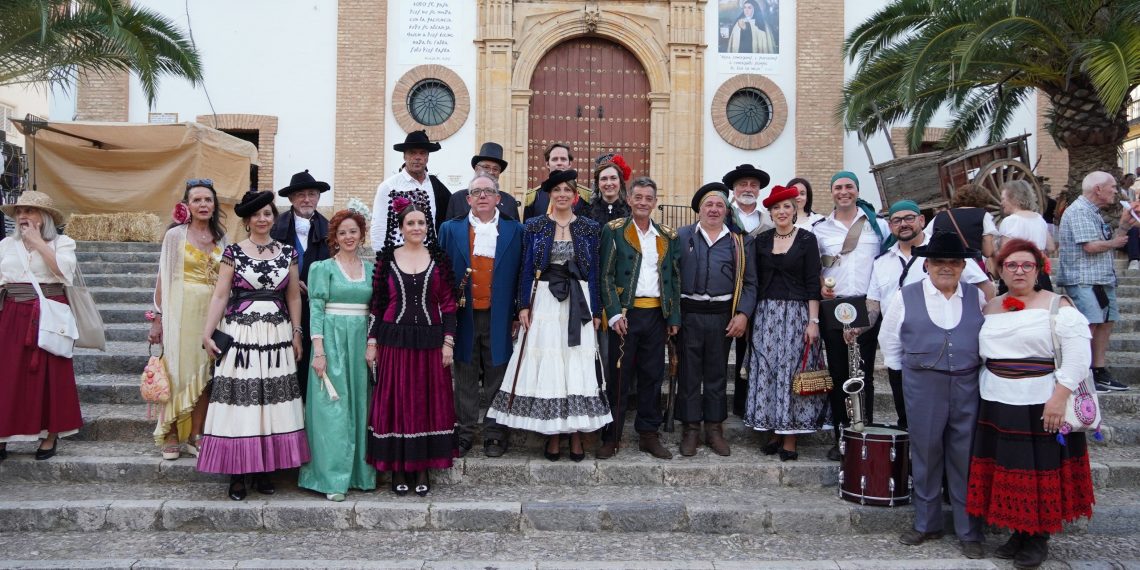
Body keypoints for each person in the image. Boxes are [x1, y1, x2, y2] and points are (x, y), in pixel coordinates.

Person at [967, 239, 1097, 569]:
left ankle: (1037, 537)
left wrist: (1058, 398)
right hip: (997, 401)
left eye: (1027, 265)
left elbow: (1080, 358)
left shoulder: (1058, 306)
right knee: (1009, 469)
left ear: (1039, 270)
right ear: (1000, 270)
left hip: (1041, 402)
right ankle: (1018, 531)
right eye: (1011, 265)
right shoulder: (990, 306)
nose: (1019, 271)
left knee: (1038, 470)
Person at [486, 169, 611, 462]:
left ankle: (577, 435)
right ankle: (553, 435)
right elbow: (526, 268)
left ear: (575, 196)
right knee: (552, 365)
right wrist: (523, 306)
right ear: (550, 195)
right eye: (557, 190)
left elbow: (593, 271)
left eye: (568, 190)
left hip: (578, 300)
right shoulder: (534, 226)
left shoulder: (590, 228)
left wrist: (597, 309)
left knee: (575, 365)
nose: (563, 195)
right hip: (544, 300)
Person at [878, 231, 987, 560]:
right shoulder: (906, 296)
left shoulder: (975, 297)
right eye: (939, 261)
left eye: (954, 262)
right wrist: (909, 375)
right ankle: (927, 522)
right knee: (925, 454)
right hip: (923, 384)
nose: (946, 267)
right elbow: (889, 341)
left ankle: (969, 530)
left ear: (962, 266)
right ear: (926, 265)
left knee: (964, 455)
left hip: (967, 384)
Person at [198, 190, 310, 501]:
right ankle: (238, 472)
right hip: (241, 334)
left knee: (271, 400)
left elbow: (293, 296)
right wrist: (208, 333)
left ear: (274, 218)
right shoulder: (233, 252)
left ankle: (264, 469)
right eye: (257, 214)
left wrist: (297, 332)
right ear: (247, 220)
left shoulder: (288, 253)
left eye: (268, 214)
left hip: (276, 333)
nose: (263, 219)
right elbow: (221, 295)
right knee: (241, 400)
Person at [867, 200, 993, 430]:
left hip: (946, 356)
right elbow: (874, 303)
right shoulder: (881, 261)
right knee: (909, 424)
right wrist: (858, 328)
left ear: (921, 221)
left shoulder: (946, 252)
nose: (903, 224)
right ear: (890, 225)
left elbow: (986, 290)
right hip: (904, 355)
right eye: (897, 220)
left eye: (909, 218)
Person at [367, 198, 458, 496]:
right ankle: (398, 468)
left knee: (426, 404)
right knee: (398, 403)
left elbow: (448, 304)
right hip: (394, 341)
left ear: (427, 226)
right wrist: (372, 341)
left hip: (431, 340)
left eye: (421, 223)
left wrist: (448, 342)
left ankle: (422, 467)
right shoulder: (387, 259)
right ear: (401, 227)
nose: (416, 227)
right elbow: (378, 305)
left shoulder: (439, 258)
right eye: (411, 223)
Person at [439, 173, 525, 458]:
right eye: (476, 192)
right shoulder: (450, 230)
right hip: (463, 315)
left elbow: (522, 274)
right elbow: (441, 274)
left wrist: (518, 310)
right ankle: (464, 432)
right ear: (468, 199)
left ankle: (495, 433)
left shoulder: (515, 231)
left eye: (488, 191)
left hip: (499, 314)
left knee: (496, 372)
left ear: (498, 198)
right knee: (464, 372)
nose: (483, 196)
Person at [596, 176, 681, 460]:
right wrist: (613, 313)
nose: (643, 202)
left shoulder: (667, 235)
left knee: (652, 376)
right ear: (629, 200)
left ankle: (648, 435)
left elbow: (674, 280)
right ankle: (612, 436)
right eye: (638, 197)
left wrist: (673, 317)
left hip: (657, 315)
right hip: (626, 316)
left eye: (649, 198)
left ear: (655, 203)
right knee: (619, 377)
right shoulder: (614, 230)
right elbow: (605, 275)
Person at [298, 206, 376, 502]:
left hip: (359, 342)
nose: (348, 237)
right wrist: (318, 351)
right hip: (331, 341)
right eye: (342, 232)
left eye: (353, 231)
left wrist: (372, 342)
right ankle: (331, 477)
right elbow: (316, 310)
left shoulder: (371, 269)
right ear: (335, 236)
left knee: (359, 406)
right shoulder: (323, 268)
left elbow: (375, 310)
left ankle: (359, 474)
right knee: (333, 410)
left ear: (361, 234)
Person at [148, 179, 228, 460]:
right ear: (187, 205)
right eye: (197, 200)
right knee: (178, 370)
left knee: (205, 374)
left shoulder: (222, 238)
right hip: (182, 311)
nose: (204, 204)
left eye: (208, 199)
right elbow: (163, 278)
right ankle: (170, 431)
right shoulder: (175, 236)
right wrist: (157, 317)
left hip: (213, 312)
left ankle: (196, 433)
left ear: (214, 204)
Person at [745, 184, 826, 460]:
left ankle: (790, 437)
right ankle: (772, 431)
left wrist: (813, 321)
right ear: (771, 212)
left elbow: (812, 282)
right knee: (767, 371)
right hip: (766, 314)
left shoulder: (806, 240)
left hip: (796, 314)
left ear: (795, 210)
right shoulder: (762, 241)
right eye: (776, 208)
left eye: (786, 207)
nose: (781, 212)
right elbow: (753, 281)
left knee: (791, 374)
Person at [675, 182, 756, 457]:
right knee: (688, 374)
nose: (713, 209)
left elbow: (750, 283)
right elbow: (670, 278)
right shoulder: (681, 236)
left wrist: (743, 314)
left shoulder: (740, 242)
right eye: (708, 204)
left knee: (716, 374)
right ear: (699, 209)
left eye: (719, 205)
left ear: (726, 210)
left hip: (722, 317)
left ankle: (714, 429)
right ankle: (690, 430)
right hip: (689, 316)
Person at [815, 170, 889, 461]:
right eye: (838, 187)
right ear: (831, 192)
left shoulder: (876, 226)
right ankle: (841, 437)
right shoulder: (821, 229)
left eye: (849, 187)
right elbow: (817, 269)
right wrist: (822, 286)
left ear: (857, 191)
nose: (843, 192)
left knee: (863, 374)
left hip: (867, 304)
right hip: (834, 306)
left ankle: (863, 433)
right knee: (838, 373)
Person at [0, 192, 80, 461]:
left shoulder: (63, 243)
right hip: (12, 312)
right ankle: (3, 434)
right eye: (20, 210)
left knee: (50, 374)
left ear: (44, 217)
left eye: (31, 211)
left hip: (50, 312)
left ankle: (50, 433)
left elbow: (64, 273)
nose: (23, 215)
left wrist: (38, 244)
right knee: (7, 374)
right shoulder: (5, 245)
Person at [1056, 170, 1135, 393]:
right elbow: (1090, 246)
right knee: (1088, 324)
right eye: (1112, 186)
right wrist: (1116, 242)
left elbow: (1105, 241)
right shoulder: (1080, 211)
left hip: (1099, 278)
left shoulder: (1093, 212)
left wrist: (1123, 226)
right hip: (1083, 279)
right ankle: (1083, 374)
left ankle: (1098, 371)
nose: (1116, 191)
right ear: (1098, 189)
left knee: (1106, 322)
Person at [271, 170, 332, 401]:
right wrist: (290, 282)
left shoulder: (330, 228)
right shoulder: (275, 227)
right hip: (281, 306)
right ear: (291, 199)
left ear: (318, 197)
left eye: (312, 194)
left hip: (317, 308)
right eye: (301, 195)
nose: (307, 199)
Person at [723, 163, 773, 417]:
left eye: (753, 185)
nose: (748, 188)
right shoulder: (721, 216)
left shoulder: (769, 222)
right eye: (743, 184)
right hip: (723, 293)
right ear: (733, 188)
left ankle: (745, 406)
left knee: (751, 351)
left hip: (757, 293)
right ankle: (716, 409)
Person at [370, 130, 451, 248]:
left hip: (430, 257)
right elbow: (379, 227)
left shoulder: (435, 186)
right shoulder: (389, 187)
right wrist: (384, 261)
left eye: (422, 153)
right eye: (412, 153)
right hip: (399, 258)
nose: (417, 157)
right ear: (404, 156)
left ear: (427, 157)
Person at [997, 179, 1055, 292]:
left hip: (1017, 274)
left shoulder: (1010, 221)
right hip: (1039, 273)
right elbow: (1051, 247)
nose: (1001, 203)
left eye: (1003, 199)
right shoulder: (1039, 218)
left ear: (1013, 198)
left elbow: (1004, 252)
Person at [444, 142, 521, 221]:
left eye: (495, 169)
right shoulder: (457, 199)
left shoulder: (509, 201)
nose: (491, 172)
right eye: (486, 167)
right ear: (477, 169)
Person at [925, 182, 998, 259]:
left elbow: (925, 239)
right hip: (971, 265)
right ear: (983, 200)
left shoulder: (940, 216)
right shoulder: (983, 215)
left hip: (944, 264)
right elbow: (988, 251)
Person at [523, 143, 592, 220]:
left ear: (569, 164)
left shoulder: (586, 196)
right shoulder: (533, 196)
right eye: (555, 159)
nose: (559, 163)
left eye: (563, 159)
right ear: (547, 164)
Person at [587, 155, 632, 226]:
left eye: (613, 178)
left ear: (620, 182)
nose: (609, 183)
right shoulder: (587, 211)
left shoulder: (631, 212)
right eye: (604, 179)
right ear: (598, 183)